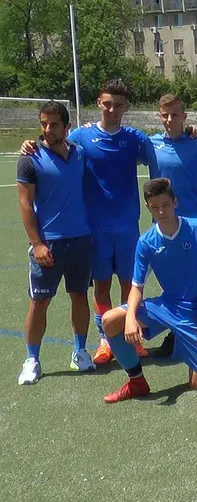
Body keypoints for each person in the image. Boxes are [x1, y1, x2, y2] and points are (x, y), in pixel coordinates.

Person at [22, 79, 152, 365]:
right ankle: (105, 341)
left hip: (127, 226)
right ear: (98, 103)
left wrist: (190, 132)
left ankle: (131, 337)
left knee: (130, 285)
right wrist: (30, 143)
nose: (112, 110)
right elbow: (51, 140)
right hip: (94, 229)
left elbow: (162, 150)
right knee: (101, 287)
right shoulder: (81, 137)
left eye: (118, 105)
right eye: (107, 104)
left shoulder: (135, 138)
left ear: (126, 107)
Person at [99, 178, 197, 403]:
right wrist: (130, 318)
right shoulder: (146, 242)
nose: (161, 212)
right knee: (110, 320)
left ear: (175, 202)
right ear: (148, 208)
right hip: (168, 306)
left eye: (165, 205)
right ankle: (137, 382)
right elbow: (137, 287)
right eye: (155, 207)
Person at [16, 100, 95, 384]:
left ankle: (80, 352)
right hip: (48, 243)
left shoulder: (79, 153)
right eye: (44, 124)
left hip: (81, 239)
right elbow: (25, 203)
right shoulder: (30, 157)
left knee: (79, 296)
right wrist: (36, 243)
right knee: (39, 302)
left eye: (54, 124)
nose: (48, 129)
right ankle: (32, 359)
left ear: (67, 126)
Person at [148, 93, 197, 220]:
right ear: (160, 116)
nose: (169, 120)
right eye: (165, 115)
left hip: (192, 217)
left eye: (174, 115)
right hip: (162, 218)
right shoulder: (150, 144)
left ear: (184, 116)